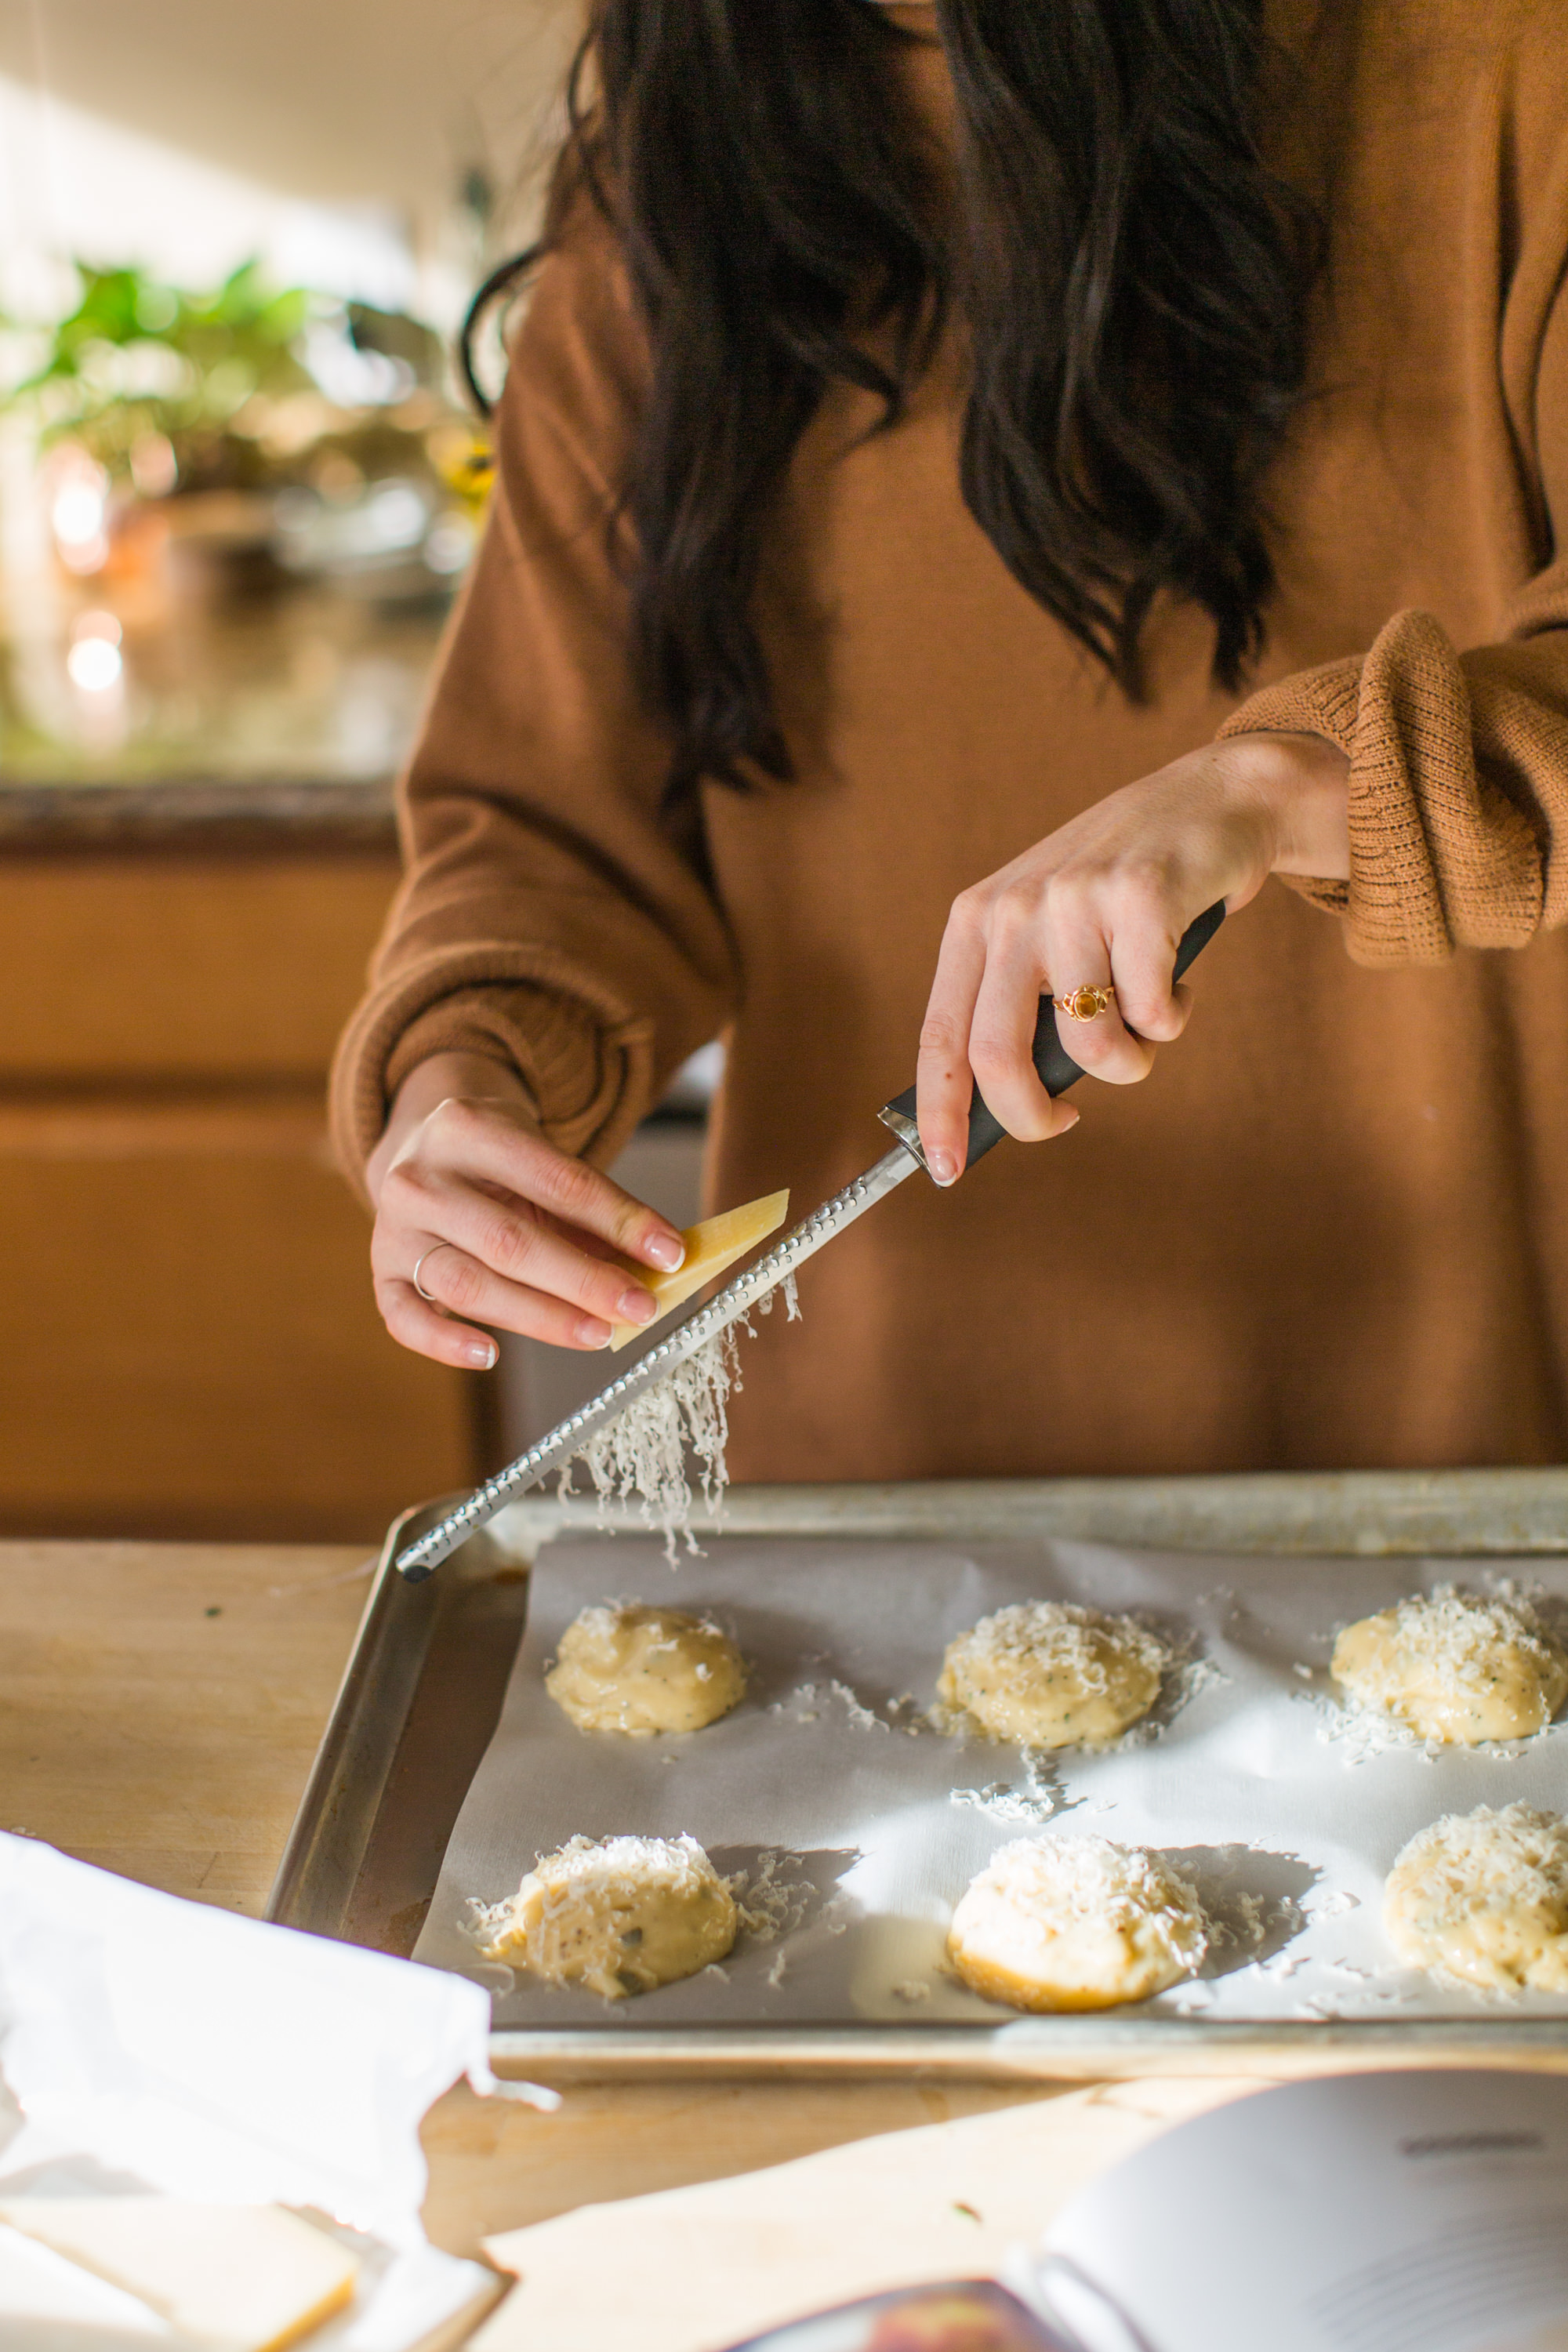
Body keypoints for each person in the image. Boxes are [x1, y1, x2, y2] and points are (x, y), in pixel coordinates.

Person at [332, 0, 1568, 1486]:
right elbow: (548, 828)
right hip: (878, 1472)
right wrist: (460, 1082)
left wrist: (1286, 786)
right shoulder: (683, 153)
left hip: (1468, 1452)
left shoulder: (1501, 63)